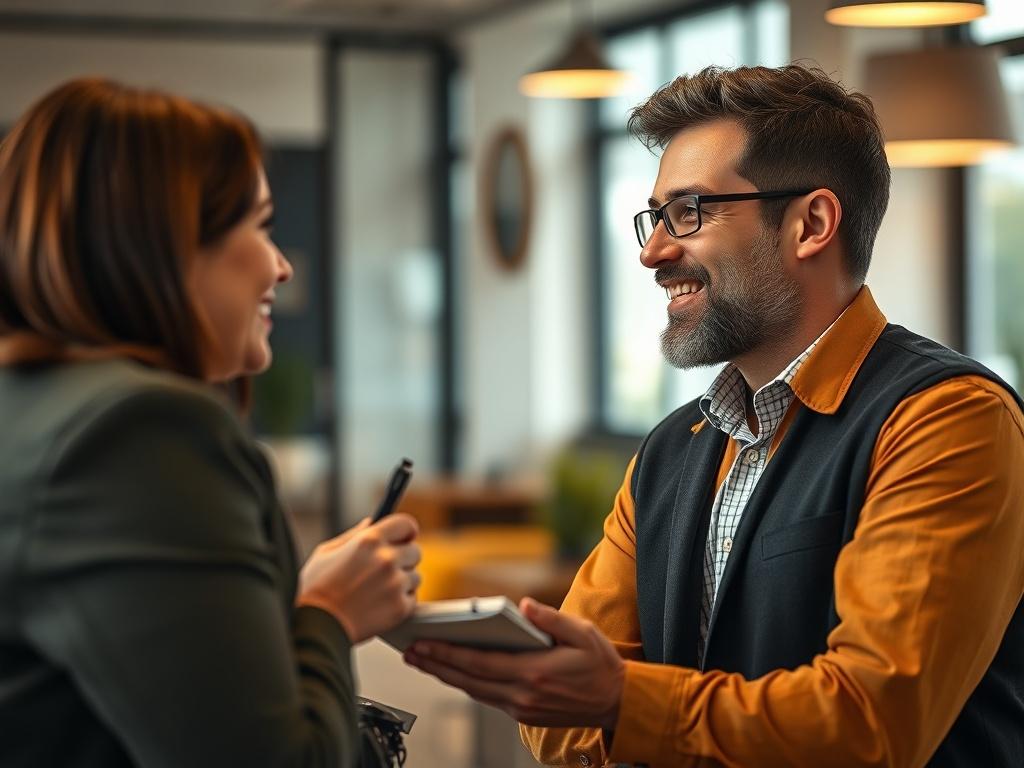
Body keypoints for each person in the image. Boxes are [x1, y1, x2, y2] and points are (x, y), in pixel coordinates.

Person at [403, 64, 1024, 767]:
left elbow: (868, 723)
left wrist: (622, 702)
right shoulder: (671, 450)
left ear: (811, 224)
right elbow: (555, 723)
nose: (652, 251)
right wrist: (600, 699)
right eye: (656, 215)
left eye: (689, 211)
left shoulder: (947, 422)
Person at [0, 78, 421, 767]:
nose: (281, 266)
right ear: (159, 243)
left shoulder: (31, 405)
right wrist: (329, 615)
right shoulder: (138, 432)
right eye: (259, 226)